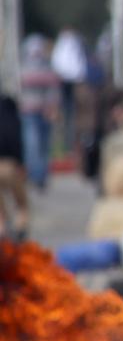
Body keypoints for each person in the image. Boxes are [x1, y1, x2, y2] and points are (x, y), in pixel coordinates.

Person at [19, 34, 60, 190]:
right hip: (29, 111)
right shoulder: (23, 66)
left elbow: (54, 90)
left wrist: (54, 107)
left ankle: (42, 175)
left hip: (45, 111)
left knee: (44, 145)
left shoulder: (47, 66)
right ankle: (35, 174)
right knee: (33, 144)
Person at [0, 93, 29, 241]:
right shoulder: (12, 116)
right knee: (21, 203)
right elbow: (17, 142)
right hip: (10, 166)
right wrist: (21, 163)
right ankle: (20, 227)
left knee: (1, 211)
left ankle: (2, 230)